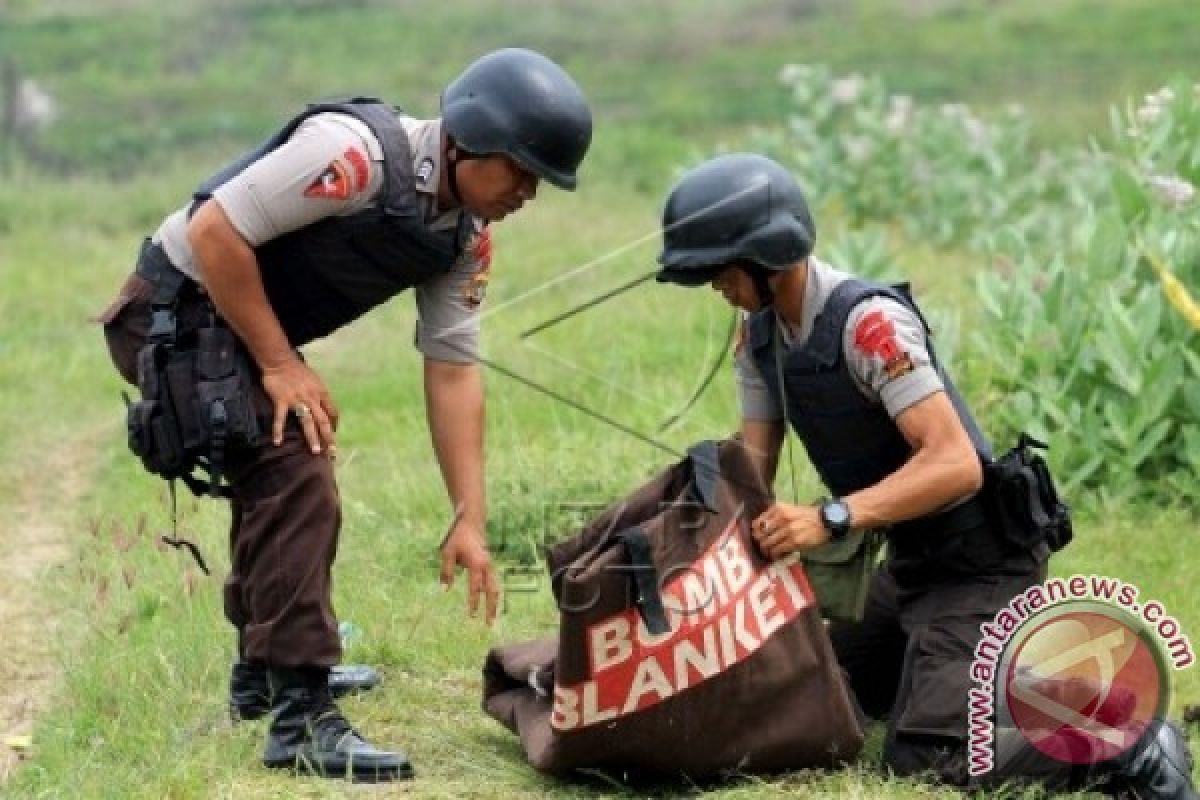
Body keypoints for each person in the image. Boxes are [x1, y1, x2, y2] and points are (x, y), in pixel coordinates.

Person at [97, 48, 592, 782]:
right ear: (467, 138)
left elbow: (453, 370)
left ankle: (263, 675)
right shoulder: (354, 156)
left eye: (539, 180)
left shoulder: (462, 235)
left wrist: (469, 517)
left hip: (231, 325)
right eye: (518, 169)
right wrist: (278, 363)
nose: (526, 191)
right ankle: (302, 713)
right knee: (297, 466)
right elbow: (213, 232)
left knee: (277, 462)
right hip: (170, 314)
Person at [653, 153, 1197, 799]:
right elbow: (754, 470)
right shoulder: (759, 336)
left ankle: (1129, 744)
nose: (716, 285)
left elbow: (954, 464)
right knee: (819, 701)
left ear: (766, 256)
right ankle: (1013, 683)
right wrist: (691, 547)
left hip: (981, 565)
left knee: (926, 758)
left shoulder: (871, 326)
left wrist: (831, 517)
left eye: (720, 270)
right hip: (907, 568)